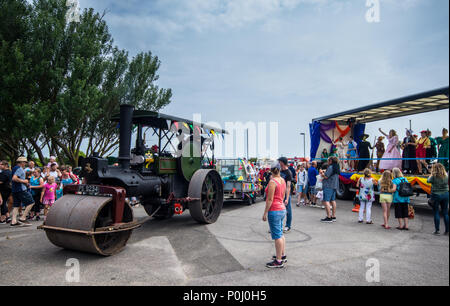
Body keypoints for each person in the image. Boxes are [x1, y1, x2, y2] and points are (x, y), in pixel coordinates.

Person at [262, 162, 287, 268]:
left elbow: (270, 199)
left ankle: (278, 261)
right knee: (280, 234)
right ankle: (282, 255)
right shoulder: (282, 180)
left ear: (271, 170)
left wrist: (265, 212)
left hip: (275, 210)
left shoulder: (272, 182)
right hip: (282, 209)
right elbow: (283, 195)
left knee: (277, 236)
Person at [10, 157, 35, 226]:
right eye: (25, 162)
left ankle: (13, 221)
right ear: (21, 162)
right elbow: (14, 178)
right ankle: (23, 218)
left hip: (14, 189)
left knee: (16, 205)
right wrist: (25, 181)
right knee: (31, 202)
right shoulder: (19, 169)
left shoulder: (14, 168)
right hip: (21, 189)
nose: (25, 164)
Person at [427, 163, 449, 235]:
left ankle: (437, 230)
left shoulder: (433, 176)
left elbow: (428, 181)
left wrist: (431, 173)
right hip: (445, 194)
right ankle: (447, 230)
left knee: (436, 212)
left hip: (436, 195)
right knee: (445, 213)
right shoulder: (446, 176)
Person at [320, 156, 340, 223]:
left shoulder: (330, 167)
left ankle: (329, 217)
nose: (327, 162)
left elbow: (326, 176)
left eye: (328, 160)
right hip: (334, 185)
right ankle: (333, 216)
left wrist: (322, 173)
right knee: (333, 200)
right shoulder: (337, 167)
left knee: (326, 201)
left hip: (328, 185)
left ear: (331, 161)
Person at [278, 157, 292, 232]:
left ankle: (288, 225)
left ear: (282, 162)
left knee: (288, 210)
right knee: (278, 210)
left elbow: (288, 186)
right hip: (279, 194)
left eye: (279, 162)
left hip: (286, 194)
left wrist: (287, 198)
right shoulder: (279, 171)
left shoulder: (288, 173)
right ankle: (278, 226)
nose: (279, 163)